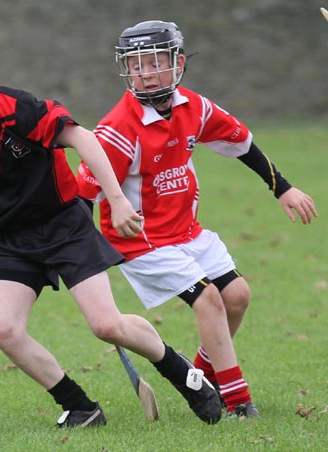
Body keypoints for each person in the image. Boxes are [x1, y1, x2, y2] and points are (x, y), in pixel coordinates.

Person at [0, 37, 223, 427]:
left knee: (107, 326)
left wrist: (118, 199)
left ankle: (180, 371)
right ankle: (79, 405)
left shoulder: (15, 110)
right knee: (2, 329)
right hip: (11, 239)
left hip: (65, 226)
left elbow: (81, 137)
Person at [77, 20, 318, 419]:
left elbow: (241, 143)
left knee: (237, 296)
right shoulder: (119, 128)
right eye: (135, 65)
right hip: (142, 241)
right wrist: (80, 255)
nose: (144, 73)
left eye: (154, 62)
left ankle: (201, 374)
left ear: (178, 63)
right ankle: (238, 401)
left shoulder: (194, 107)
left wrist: (283, 187)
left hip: (187, 232)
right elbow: (84, 195)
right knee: (208, 298)